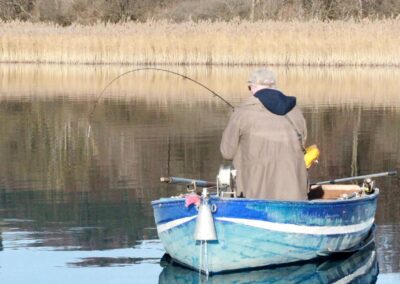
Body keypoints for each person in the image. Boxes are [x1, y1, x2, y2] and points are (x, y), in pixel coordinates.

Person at [220, 68, 308, 200]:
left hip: (255, 194)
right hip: (295, 194)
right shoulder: (295, 111)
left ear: (253, 87)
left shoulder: (242, 113)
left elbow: (227, 152)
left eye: (249, 88)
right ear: (274, 87)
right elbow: (303, 141)